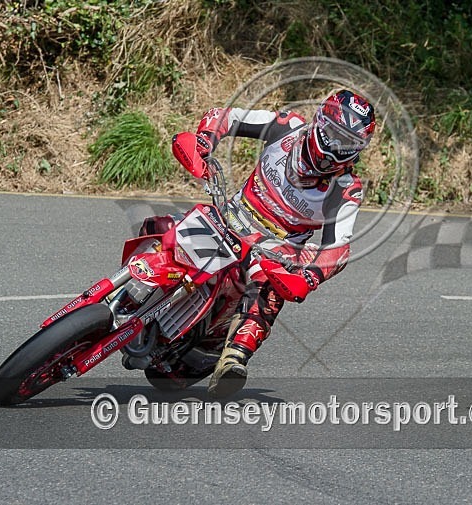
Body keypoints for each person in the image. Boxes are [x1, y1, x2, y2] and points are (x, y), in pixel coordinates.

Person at [140, 89, 376, 398]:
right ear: (320, 122)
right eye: (334, 135)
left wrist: (309, 276)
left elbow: (338, 248)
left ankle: (233, 359)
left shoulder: (346, 188)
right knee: (160, 226)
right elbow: (226, 116)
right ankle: (130, 292)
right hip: (228, 216)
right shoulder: (288, 127)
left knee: (269, 287)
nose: (336, 149)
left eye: (348, 143)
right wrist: (205, 141)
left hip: (272, 249)